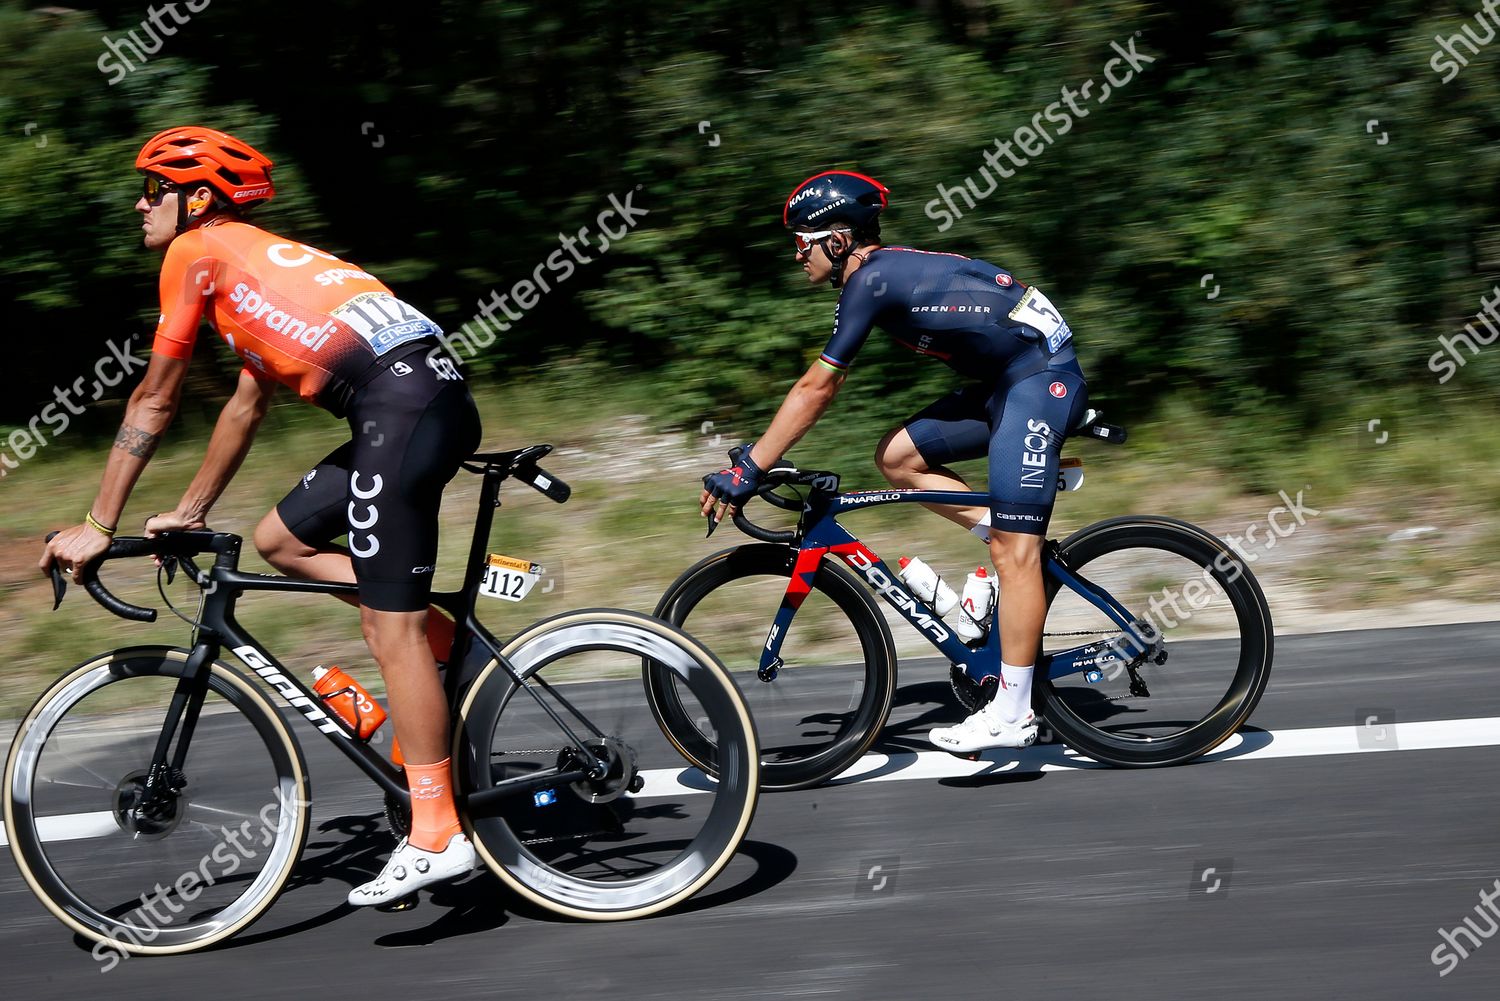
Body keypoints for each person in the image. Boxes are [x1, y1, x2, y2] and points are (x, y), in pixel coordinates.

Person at [38, 126, 483, 905]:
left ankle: (437, 829)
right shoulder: (253, 268)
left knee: (389, 629)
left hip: (402, 408)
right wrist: (189, 509)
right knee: (281, 540)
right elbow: (245, 408)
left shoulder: (196, 254)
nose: (141, 205)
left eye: (154, 190)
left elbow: (155, 397)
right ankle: (452, 649)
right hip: (418, 400)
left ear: (198, 199)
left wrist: (98, 525)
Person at [699, 170, 1088, 752]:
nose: (795, 255)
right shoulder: (875, 280)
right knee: (899, 457)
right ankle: (999, 549)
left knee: (1019, 555)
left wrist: (748, 467)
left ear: (837, 240)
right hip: (1006, 380)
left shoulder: (871, 282)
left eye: (802, 242)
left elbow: (816, 390)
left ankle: (1012, 712)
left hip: (1039, 380)